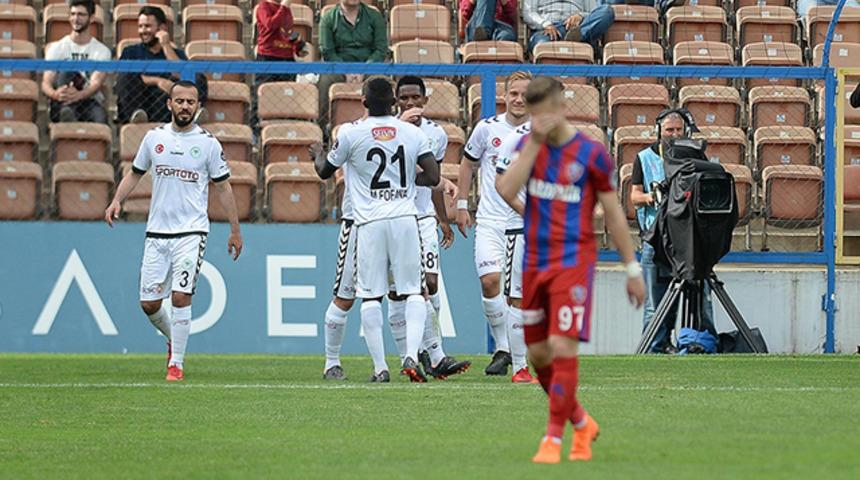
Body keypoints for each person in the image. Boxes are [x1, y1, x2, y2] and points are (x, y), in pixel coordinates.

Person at [496, 76, 645, 464]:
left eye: (548, 110)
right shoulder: (526, 147)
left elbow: (613, 213)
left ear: (563, 107)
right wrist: (532, 145)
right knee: (538, 356)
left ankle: (553, 440)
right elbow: (505, 190)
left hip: (574, 261)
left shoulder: (592, 154)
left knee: (563, 347)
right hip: (535, 262)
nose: (543, 119)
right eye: (535, 113)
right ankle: (581, 423)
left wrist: (632, 268)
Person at [105, 80, 244, 382]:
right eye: (179, 101)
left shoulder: (208, 143)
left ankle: (176, 364)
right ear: (169, 104)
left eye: (190, 102)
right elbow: (134, 174)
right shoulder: (154, 138)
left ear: (198, 106)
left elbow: (224, 188)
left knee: (181, 298)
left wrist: (234, 230)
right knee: (149, 304)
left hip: (192, 232)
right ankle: (174, 339)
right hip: (157, 232)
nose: (184, 106)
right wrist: (117, 200)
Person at [315, 76, 440, 383]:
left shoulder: (351, 133)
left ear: (364, 102)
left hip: (367, 222)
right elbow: (434, 175)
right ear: (395, 103)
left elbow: (324, 171)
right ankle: (411, 354)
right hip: (404, 219)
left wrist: (316, 152)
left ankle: (379, 368)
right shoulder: (411, 133)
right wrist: (408, 182)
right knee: (413, 291)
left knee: (368, 297)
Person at [390, 76, 472, 379]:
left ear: (425, 100)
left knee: (431, 285)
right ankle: (421, 356)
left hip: (423, 216)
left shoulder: (436, 134)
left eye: (415, 99)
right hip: (395, 217)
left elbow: (433, 179)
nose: (410, 104)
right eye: (404, 99)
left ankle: (430, 352)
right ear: (397, 101)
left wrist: (443, 219)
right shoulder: (389, 131)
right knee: (402, 290)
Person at [457, 71, 532, 376]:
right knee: (490, 281)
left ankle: (514, 356)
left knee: (518, 295)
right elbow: (467, 162)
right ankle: (503, 346)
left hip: (523, 224)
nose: (518, 99)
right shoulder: (487, 129)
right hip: (489, 220)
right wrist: (462, 204)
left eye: (525, 94)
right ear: (505, 96)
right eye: (513, 93)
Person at [630, 109, 715, 353]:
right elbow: (634, 196)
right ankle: (655, 347)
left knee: (699, 297)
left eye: (678, 130)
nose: (674, 134)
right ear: (659, 131)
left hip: (687, 238)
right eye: (669, 130)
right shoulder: (644, 157)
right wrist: (651, 197)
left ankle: (700, 343)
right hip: (654, 239)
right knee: (654, 303)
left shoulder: (695, 156)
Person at [495, 121, 538, 383]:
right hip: (522, 229)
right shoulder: (516, 138)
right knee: (519, 298)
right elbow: (501, 183)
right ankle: (520, 368)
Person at [116, 6, 208, 124]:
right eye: (140, 26)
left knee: (197, 76)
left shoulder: (175, 53)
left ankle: (192, 114)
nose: (143, 31)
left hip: (167, 104)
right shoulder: (130, 51)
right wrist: (158, 81)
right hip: (141, 103)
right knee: (126, 77)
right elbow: (125, 77)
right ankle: (137, 119)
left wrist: (165, 45)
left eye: (148, 26)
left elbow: (181, 74)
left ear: (162, 28)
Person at [317, 0, 388, 125]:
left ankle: (384, 123)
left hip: (368, 66)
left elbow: (381, 49)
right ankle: (323, 129)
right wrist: (345, 71)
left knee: (381, 81)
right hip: (339, 67)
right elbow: (328, 52)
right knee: (325, 81)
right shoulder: (328, 18)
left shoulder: (375, 16)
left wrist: (364, 69)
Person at [41, 0, 110, 123]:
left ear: (92, 17)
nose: (76, 19)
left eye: (81, 15)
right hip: (62, 101)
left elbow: (96, 84)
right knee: (67, 70)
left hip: (89, 101)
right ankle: (67, 112)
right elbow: (46, 82)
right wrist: (55, 94)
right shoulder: (57, 47)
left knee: (101, 118)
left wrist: (78, 95)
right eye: (73, 14)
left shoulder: (101, 51)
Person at [523, 0, 615, 53]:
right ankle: (577, 38)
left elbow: (594, 12)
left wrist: (580, 15)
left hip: (577, 27)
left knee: (607, 11)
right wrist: (545, 24)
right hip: (547, 31)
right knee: (543, 45)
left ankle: (578, 36)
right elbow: (528, 13)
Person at [256, 0, 305, 84]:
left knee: (287, 92)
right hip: (269, 56)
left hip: (287, 58)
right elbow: (270, 25)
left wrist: (296, 45)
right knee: (267, 92)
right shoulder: (264, 6)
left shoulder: (285, 9)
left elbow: (286, 32)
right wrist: (283, 8)